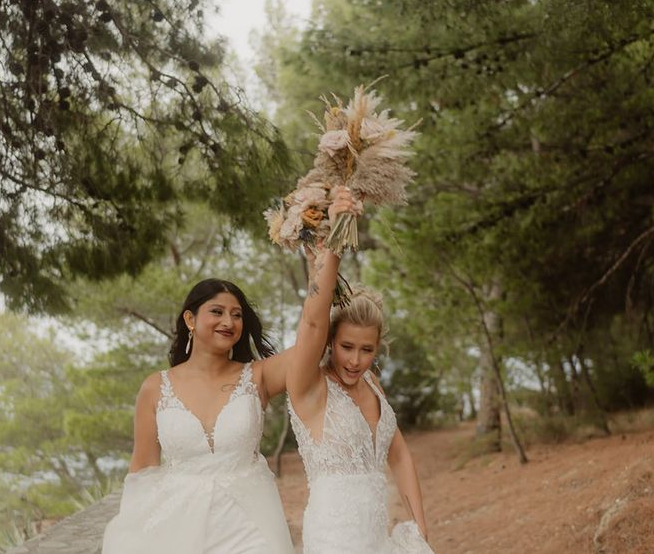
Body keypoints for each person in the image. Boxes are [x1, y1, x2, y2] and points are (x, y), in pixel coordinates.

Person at [101, 277, 295, 553]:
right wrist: (134, 531)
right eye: (217, 311)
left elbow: (312, 344)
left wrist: (320, 264)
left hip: (250, 524)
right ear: (190, 319)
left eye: (236, 315)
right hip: (181, 525)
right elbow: (142, 469)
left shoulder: (258, 375)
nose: (228, 322)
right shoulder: (155, 387)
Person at [286, 232, 434, 553]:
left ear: (377, 347)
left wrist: (419, 524)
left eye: (366, 350)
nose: (355, 360)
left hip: (378, 540)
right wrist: (335, 243)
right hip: (334, 541)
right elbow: (312, 323)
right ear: (330, 341)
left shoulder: (372, 384)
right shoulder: (309, 387)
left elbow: (399, 454)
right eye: (346, 347)